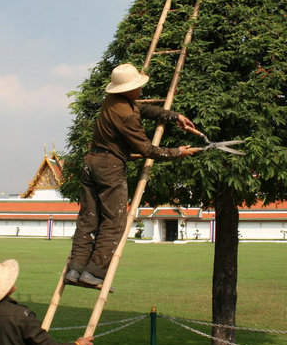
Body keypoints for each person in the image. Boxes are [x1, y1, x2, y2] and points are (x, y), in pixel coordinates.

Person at [65, 62, 202, 289]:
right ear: (126, 89)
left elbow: (143, 109)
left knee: (88, 218)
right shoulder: (127, 115)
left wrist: (173, 116)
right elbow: (147, 150)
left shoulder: (113, 102)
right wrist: (178, 152)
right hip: (110, 166)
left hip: (91, 162)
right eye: (137, 86)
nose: (140, 90)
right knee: (115, 221)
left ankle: (75, 269)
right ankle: (94, 272)